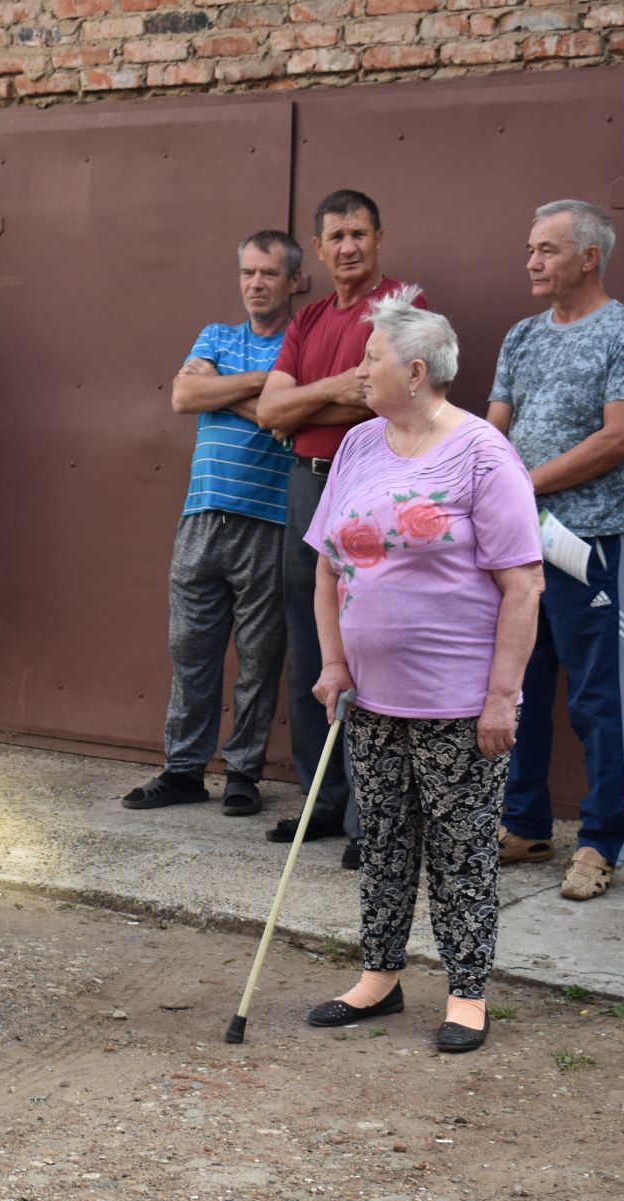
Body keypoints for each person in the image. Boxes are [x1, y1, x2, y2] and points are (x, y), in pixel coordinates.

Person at [305, 289, 543, 1054]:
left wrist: (501, 698)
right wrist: (334, 660)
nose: (357, 370)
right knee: (383, 840)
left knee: (462, 849)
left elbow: (524, 583)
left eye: (369, 358)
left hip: (458, 701)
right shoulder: (359, 445)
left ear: (414, 371)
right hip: (372, 697)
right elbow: (328, 564)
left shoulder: (481, 452)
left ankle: (466, 991)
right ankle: (379, 975)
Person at [488, 200, 624, 901]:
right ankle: (526, 823)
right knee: (519, 687)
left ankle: (602, 841)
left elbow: (618, 438)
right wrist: (492, 491)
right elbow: (495, 429)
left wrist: (523, 484)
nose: (532, 262)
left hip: (589, 542)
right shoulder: (522, 336)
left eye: (547, 250)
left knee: (597, 696)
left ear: (588, 258)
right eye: (531, 249)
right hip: (518, 546)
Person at [258, 189, 426, 869]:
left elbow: (391, 398)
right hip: (307, 482)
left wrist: (307, 399)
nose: (349, 245)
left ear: (379, 238)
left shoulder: (403, 310)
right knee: (311, 643)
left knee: (365, 647)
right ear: (319, 249)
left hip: (370, 485)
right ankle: (321, 799)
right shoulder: (311, 319)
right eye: (336, 235)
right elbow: (273, 410)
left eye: (360, 232)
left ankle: (371, 816)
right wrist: (332, 389)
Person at [122, 231, 301, 819]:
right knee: (190, 651)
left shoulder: (301, 347)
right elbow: (184, 394)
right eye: (248, 272)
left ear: (293, 280)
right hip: (202, 518)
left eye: (269, 273)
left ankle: (244, 773)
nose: (255, 283)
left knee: (258, 657)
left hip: (269, 522)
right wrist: (264, 388)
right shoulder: (217, 336)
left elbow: (285, 424)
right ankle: (184, 770)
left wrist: (220, 391)